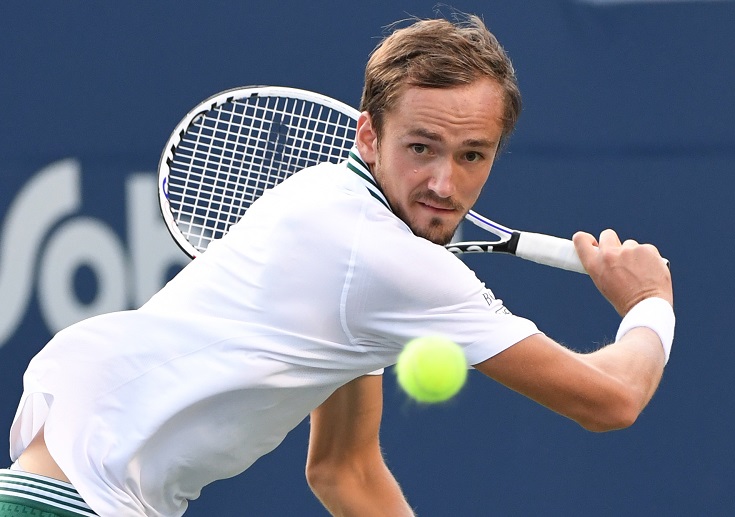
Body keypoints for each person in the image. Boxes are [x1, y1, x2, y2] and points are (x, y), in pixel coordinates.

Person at [1, 14, 674, 517]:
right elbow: (609, 400)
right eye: (421, 146)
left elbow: (343, 468)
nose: (444, 182)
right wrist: (649, 304)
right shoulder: (389, 260)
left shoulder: (332, 205)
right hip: (70, 501)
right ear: (369, 133)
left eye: (472, 154)